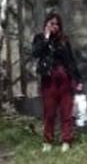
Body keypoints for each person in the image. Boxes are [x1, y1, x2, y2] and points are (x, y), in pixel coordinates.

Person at [32, 13, 83, 152]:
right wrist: (46, 37)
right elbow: (36, 53)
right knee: (49, 111)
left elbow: (71, 60)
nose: (54, 26)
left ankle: (66, 140)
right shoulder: (40, 38)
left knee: (66, 110)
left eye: (57, 24)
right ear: (46, 24)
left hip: (64, 78)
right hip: (49, 79)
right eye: (52, 23)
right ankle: (47, 141)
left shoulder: (64, 40)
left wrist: (78, 79)